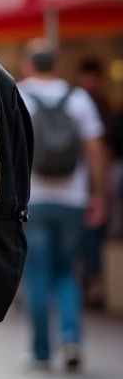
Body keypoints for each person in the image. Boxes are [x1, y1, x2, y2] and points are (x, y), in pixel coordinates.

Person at [17, 41, 108, 369]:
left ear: (28, 64)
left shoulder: (19, 95)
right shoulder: (78, 98)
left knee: (37, 273)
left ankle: (41, 350)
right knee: (67, 271)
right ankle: (71, 339)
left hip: (34, 200)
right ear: (58, 65)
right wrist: (98, 195)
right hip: (73, 200)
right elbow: (95, 150)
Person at [75, 57, 114, 309]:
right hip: (84, 185)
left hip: (76, 185)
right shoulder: (92, 104)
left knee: (87, 239)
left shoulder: (78, 100)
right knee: (90, 238)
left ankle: (92, 287)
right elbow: (99, 150)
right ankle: (93, 287)